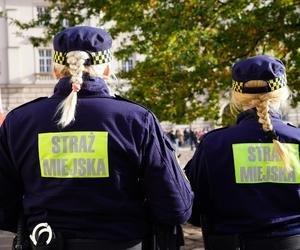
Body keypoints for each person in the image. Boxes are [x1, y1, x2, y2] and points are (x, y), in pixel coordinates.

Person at [0, 26, 193, 250]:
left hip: (44, 241)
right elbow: (175, 206)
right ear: (108, 69)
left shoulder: (19, 121)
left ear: (55, 69)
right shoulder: (136, 119)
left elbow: (4, 203)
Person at [185, 55, 300, 250]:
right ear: (282, 93)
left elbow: (194, 204)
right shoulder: (297, 138)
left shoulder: (214, 144)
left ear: (237, 95)